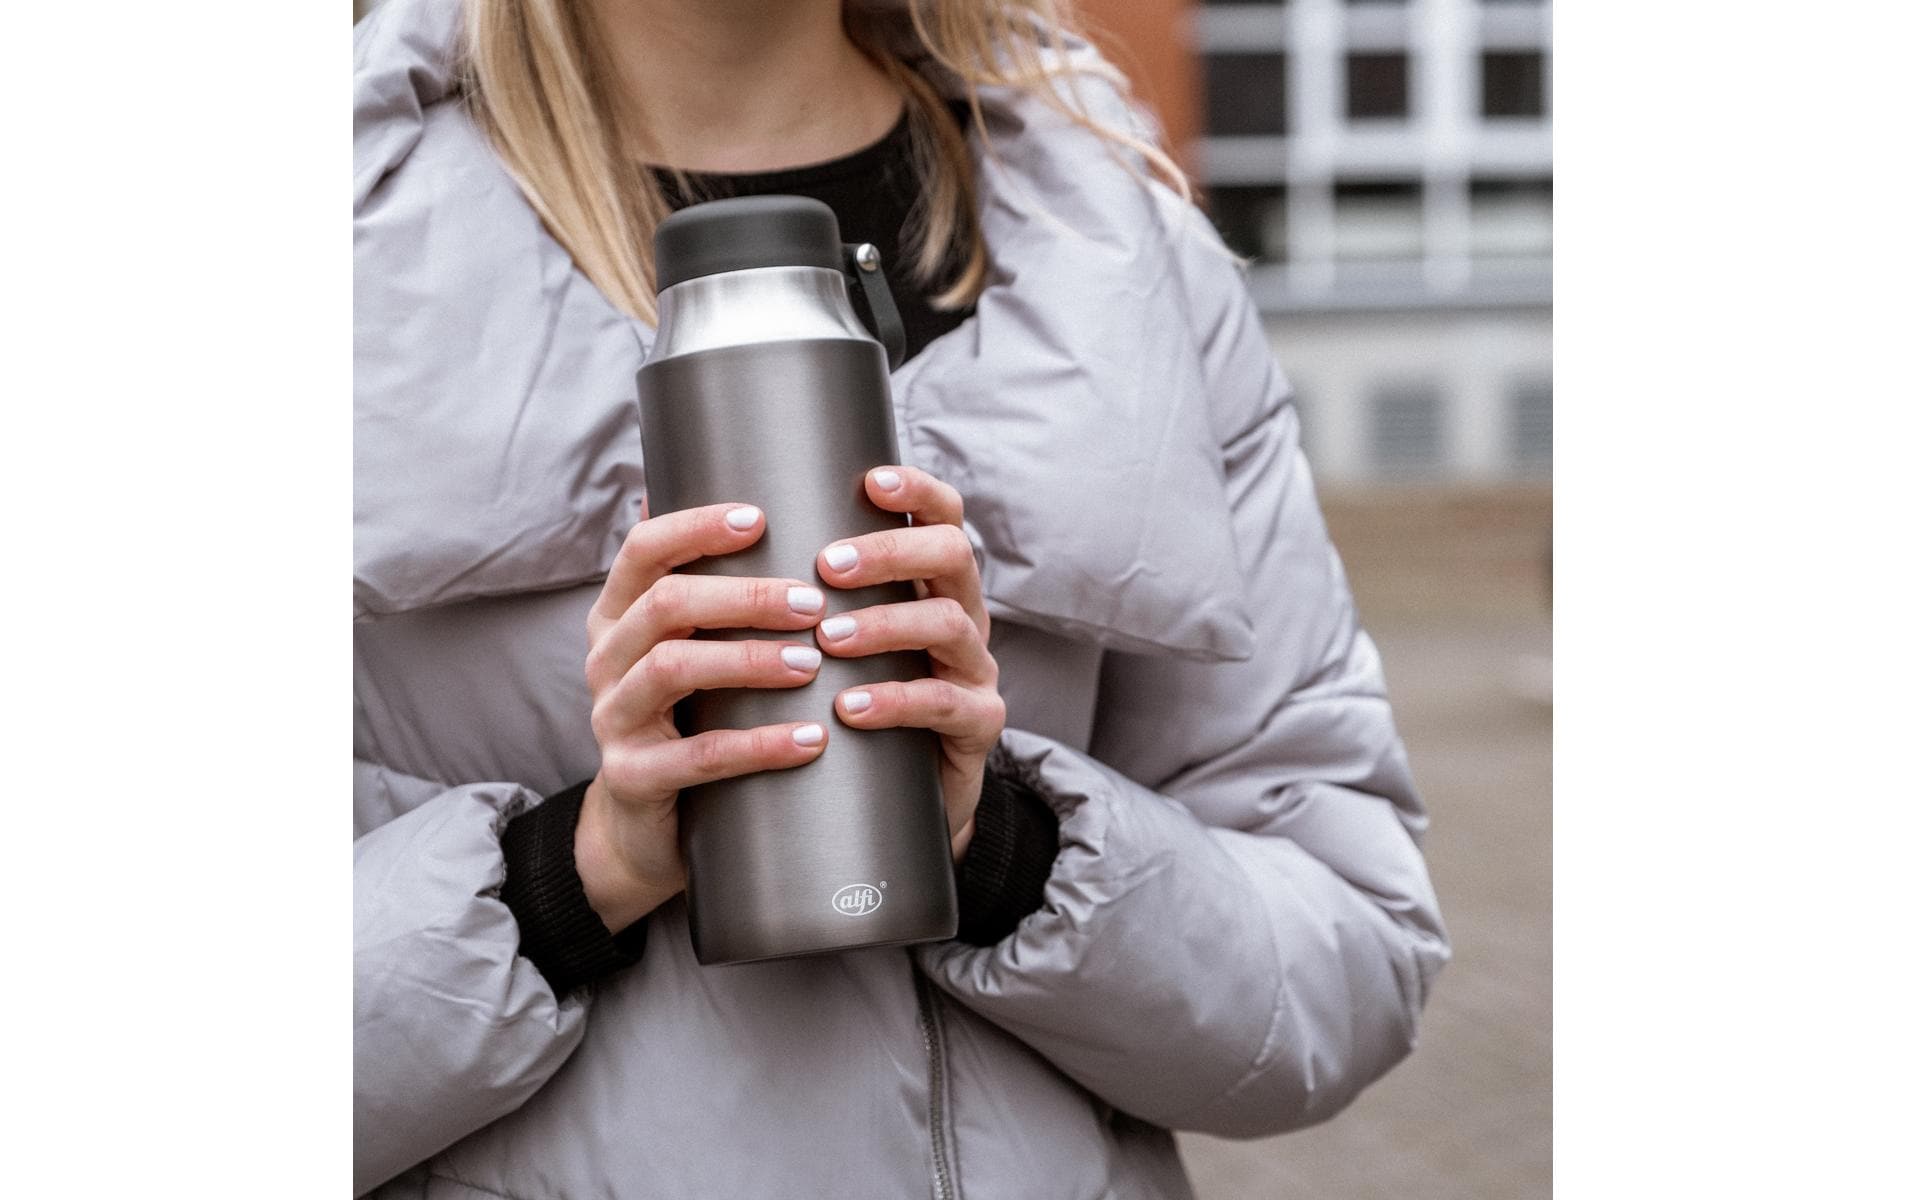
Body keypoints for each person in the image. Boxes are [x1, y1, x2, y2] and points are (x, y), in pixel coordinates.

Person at [353, 0, 1451, 1196]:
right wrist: (568, 879)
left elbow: (1344, 964)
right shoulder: (346, 240)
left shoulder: (1115, 247)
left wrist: (1005, 852)